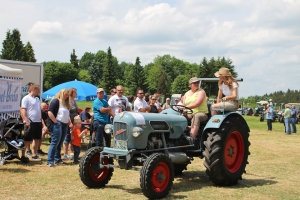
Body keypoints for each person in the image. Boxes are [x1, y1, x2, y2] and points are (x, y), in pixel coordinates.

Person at [46, 89, 71, 167]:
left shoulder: (65, 104)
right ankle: (50, 161)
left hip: (64, 124)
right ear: (61, 94)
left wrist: (69, 122)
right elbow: (50, 112)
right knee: (55, 142)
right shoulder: (56, 101)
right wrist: (56, 122)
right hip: (58, 124)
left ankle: (57, 158)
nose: (66, 96)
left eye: (67, 95)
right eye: (65, 94)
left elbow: (67, 115)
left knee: (60, 143)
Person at [20, 84, 43, 161]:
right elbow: (23, 110)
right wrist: (26, 120)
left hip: (37, 121)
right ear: (33, 89)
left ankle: (34, 153)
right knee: (27, 138)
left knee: (37, 138)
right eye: (38, 90)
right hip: (30, 121)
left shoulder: (37, 99)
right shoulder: (26, 98)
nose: (39, 91)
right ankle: (27, 151)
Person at [63, 88, 78, 160]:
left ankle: (71, 151)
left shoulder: (73, 101)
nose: (76, 94)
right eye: (75, 92)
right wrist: (70, 122)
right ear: (71, 93)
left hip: (74, 121)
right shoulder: (68, 101)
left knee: (72, 137)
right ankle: (65, 154)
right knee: (67, 137)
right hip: (68, 122)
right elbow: (67, 112)